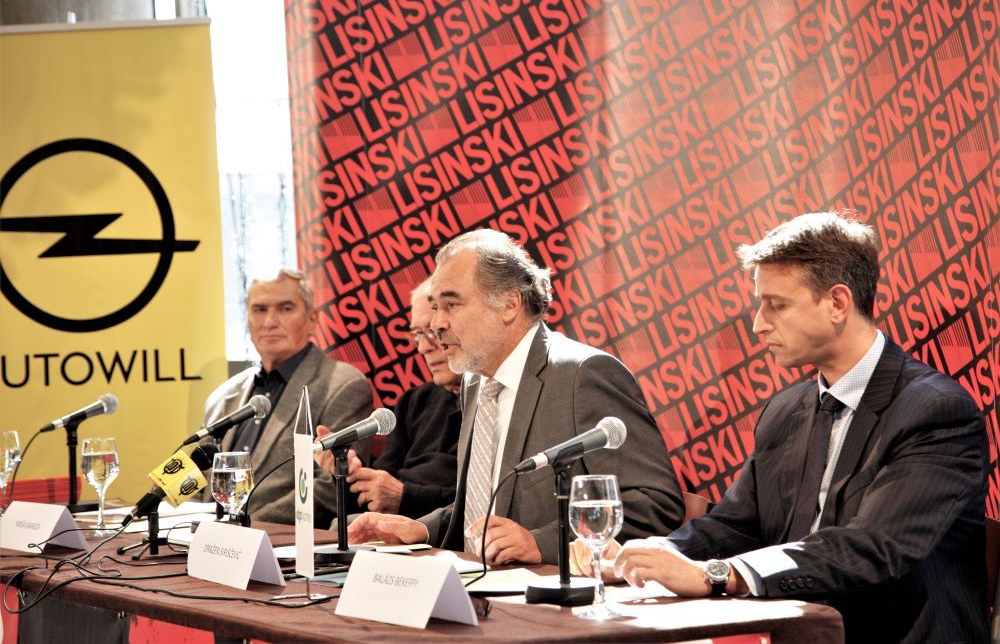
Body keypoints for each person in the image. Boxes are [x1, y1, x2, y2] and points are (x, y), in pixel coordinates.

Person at [574, 213, 988, 643]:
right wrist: (654, 556)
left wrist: (717, 574)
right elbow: (735, 525)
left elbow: (872, 548)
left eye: (777, 305)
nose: (759, 323)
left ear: (837, 302)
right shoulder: (786, 409)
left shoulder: (936, 412)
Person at [347, 229, 685, 565]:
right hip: (474, 578)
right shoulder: (476, 381)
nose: (436, 323)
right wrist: (422, 529)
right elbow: (484, 507)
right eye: (435, 307)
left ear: (509, 303)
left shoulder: (584, 375)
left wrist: (540, 543)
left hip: (550, 589)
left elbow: (654, 504)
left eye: (451, 304)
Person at [201, 268, 373, 527]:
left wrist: (245, 526)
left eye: (285, 308)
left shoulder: (342, 385)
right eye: (259, 309)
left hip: (282, 542)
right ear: (247, 319)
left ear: (312, 319)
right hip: (206, 537)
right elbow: (199, 480)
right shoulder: (223, 396)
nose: (270, 321)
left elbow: (332, 487)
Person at [317, 279, 463, 517]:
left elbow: (482, 502)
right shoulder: (413, 403)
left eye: (433, 332)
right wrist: (346, 472)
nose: (423, 348)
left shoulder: (495, 403)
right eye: (417, 334)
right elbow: (374, 495)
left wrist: (405, 497)